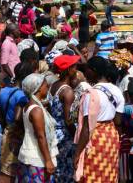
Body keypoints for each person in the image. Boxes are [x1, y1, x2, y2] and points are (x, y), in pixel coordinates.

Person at [74, 57, 124, 182]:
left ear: (94, 71)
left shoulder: (90, 94)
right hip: (111, 138)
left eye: (87, 70)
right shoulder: (117, 91)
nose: (85, 74)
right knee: (108, 173)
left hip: (94, 139)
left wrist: (77, 153)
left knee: (91, 173)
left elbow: (87, 128)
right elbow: (118, 121)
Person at [18, 73, 58, 182]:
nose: (48, 87)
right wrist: (48, 161)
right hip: (37, 159)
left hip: (30, 155)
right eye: (46, 85)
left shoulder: (29, 105)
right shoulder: (36, 110)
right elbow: (41, 136)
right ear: (38, 89)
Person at [0, 63, 32, 182]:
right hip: (17, 133)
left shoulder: (4, 90)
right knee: (10, 170)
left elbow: (0, 114)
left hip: (7, 129)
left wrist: (5, 128)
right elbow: (18, 118)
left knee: (4, 166)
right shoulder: (22, 95)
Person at [49, 54, 80, 183]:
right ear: (68, 70)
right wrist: (76, 137)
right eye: (74, 67)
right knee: (66, 171)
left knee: (58, 168)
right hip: (65, 136)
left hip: (54, 133)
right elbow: (68, 120)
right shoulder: (67, 92)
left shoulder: (54, 85)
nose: (76, 70)